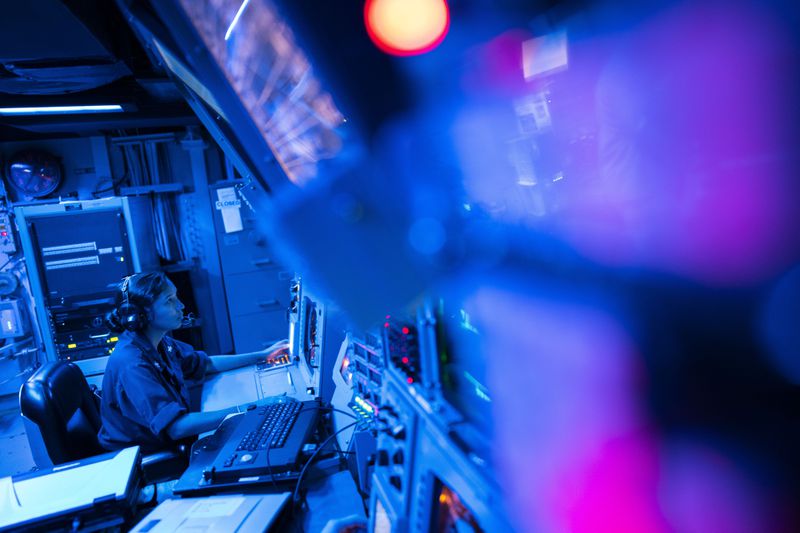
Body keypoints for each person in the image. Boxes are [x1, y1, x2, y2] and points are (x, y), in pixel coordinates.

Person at [98, 271, 288, 453]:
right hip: (143, 454)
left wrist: (262, 356)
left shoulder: (157, 341)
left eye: (176, 297)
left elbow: (204, 364)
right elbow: (176, 427)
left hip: (167, 437)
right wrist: (250, 409)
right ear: (141, 315)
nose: (181, 306)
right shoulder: (132, 364)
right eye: (169, 301)